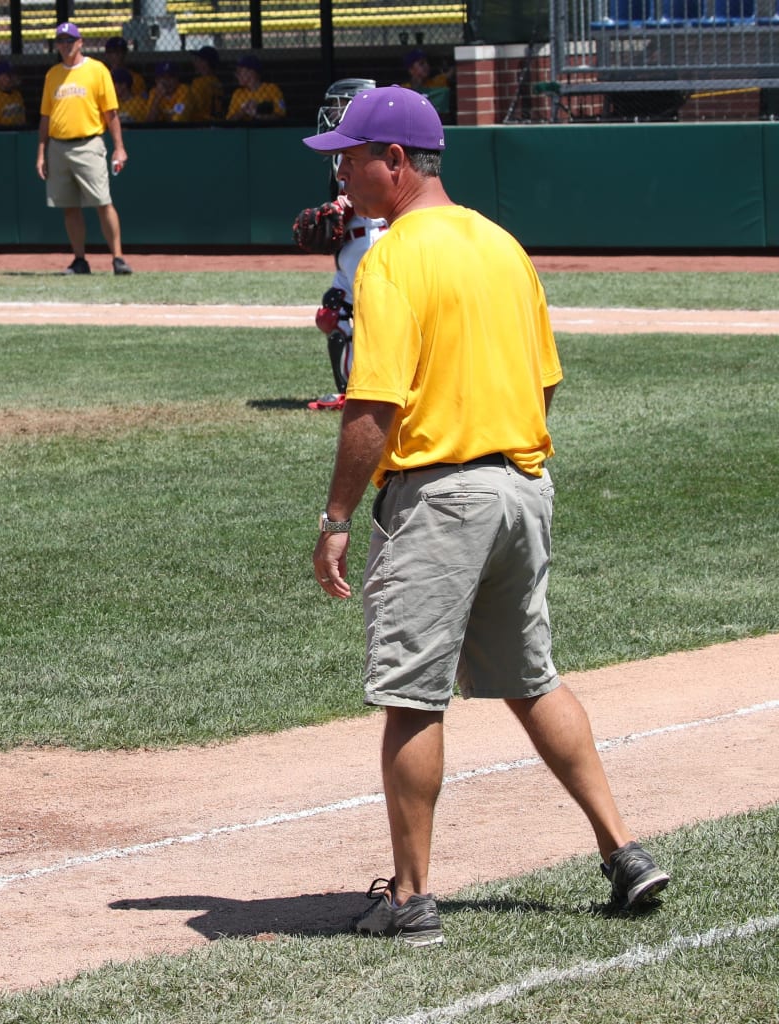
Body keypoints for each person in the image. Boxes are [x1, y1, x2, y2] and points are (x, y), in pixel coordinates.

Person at [303, 86, 671, 948]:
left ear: (396, 162)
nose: (343, 175)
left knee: (411, 696)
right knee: (530, 678)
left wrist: (336, 515)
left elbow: (373, 404)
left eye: (352, 159)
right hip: (522, 488)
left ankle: (413, 898)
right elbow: (544, 379)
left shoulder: (393, 257)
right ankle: (622, 851)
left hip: (442, 498)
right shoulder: (502, 244)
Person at [293, 79, 387, 412]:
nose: (332, 111)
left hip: (373, 239)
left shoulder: (372, 144)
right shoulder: (348, 145)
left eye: (340, 104)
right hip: (355, 242)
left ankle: (367, 390)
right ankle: (351, 390)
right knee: (331, 313)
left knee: (360, 316)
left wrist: (342, 207)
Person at [37, 22, 133, 276]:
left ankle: (118, 258)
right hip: (59, 147)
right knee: (69, 207)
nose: (66, 46)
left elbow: (110, 113)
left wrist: (119, 148)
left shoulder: (97, 70)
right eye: (61, 41)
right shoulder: (53, 75)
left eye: (70, 41)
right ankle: (80, 260)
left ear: (81, 43)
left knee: (103, 202)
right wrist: (41, 152)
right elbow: (46, 117)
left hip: (89, 143)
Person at [226, 54, 287, 122]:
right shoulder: (238, 93)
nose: (236, 75)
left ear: (251, 73)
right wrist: (243, 111)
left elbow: (280, 116)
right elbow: (229, 121)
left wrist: (257, 114)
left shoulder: (272, 89)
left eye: (239, 71)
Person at [402, 48, 452, 114]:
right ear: (411, 69)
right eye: (421, 63)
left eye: (427, 62)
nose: (426, 65)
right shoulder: (404, 89)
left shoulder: (438, 82)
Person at [0, 60, 27, 126]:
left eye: (13, 75)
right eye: (8, 75)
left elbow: (22, 119)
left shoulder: (17, 94)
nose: (12, 78)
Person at [186, 45, 225, 121]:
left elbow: (194, 105)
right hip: (215, 120)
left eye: (199, 60)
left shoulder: (199, 82)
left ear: (205, 63)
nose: (195, 63)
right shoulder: (216, 81)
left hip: (200, 122)